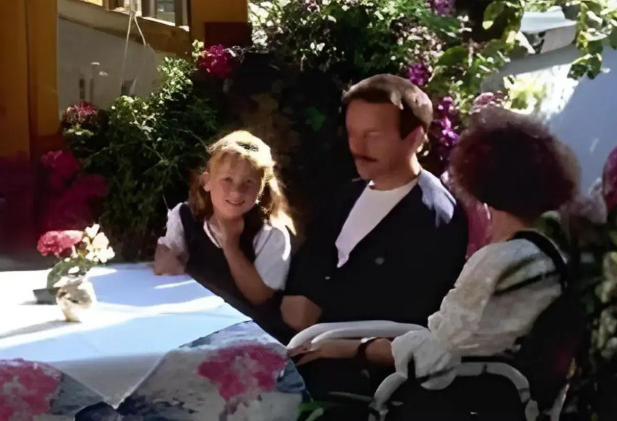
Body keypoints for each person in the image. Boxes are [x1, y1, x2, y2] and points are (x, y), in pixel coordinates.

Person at [289, 106, 579, 415]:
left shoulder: (503, 262)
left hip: (456, 402)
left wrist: (352, 347)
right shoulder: (552, 255)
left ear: (482, 179)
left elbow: (435, 357)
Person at [282, 75, 468, 390]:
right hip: (302, 347)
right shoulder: (347, 195)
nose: (357, 147)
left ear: (414, 138)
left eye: (373, 135)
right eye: (352, 133)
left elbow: (411, 320)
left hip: (360, 379)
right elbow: (312, 262)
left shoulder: (432, 215)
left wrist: (333, 340)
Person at [154, 131, 295, 324]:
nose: (237, 192)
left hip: (249, 329)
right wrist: (167, 263)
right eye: (227, 180)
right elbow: (166, 264)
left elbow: (260, 297)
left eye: (248, 182)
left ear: (261, 188)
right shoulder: (185, 217)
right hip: (193, 321)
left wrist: (231, 245)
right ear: (207, 182)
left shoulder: (271, 234)